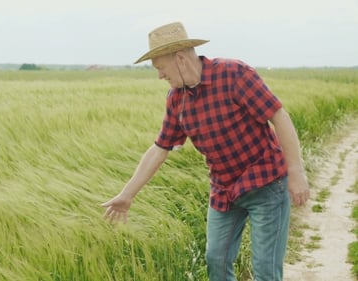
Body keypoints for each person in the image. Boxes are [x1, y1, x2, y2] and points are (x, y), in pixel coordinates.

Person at [101, 22, 310, 281]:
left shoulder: (234, 74)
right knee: (216, 264)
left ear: (179, 59)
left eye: (160, 68)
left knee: (266, 271)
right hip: (225, 190)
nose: (159, 76)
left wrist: (296, 171)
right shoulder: (176, 99)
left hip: (266, 184)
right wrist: (126, 195)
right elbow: (160, 148)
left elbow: (278, 116)